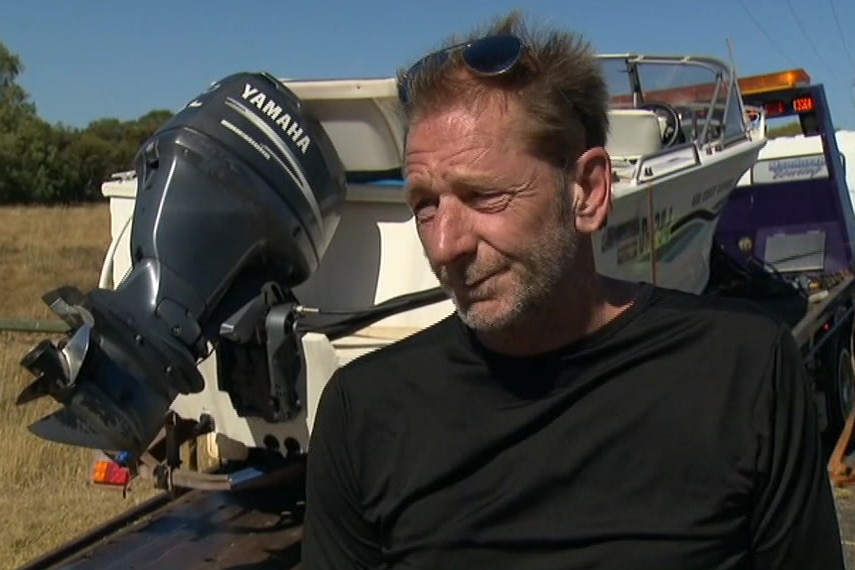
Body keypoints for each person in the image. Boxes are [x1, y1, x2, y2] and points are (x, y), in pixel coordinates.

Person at [301, 11, 846, 570]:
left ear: (587, 192)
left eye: (485, 197)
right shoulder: (363, 414)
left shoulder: (745, 373)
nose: (444, 246)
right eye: (425, 205)